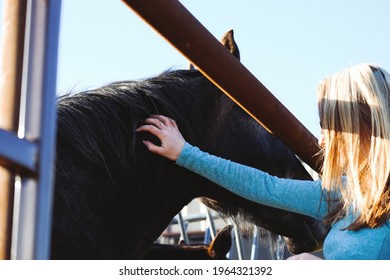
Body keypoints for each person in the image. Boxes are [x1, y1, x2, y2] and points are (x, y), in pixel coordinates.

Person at [136, 63, 390, 260]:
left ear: (359, 127)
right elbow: (264, 187)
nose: (322, 141)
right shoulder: (344, 193)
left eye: (328, 128)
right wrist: (185, 153)